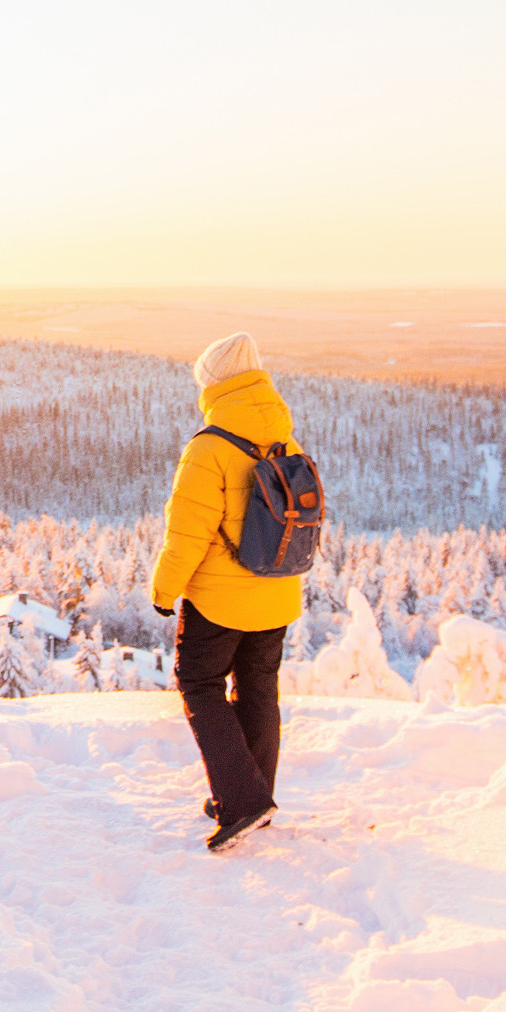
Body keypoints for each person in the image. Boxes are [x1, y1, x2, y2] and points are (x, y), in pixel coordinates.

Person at [151, 332, 303, 853]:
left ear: (214, 383)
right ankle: (251, 793)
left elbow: (187, 533)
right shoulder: (286, 441)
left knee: (199, 684)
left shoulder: (209, 447)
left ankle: (242, 801)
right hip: (278, 592)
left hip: (218, 597)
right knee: (259, 688)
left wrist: (164, 591)